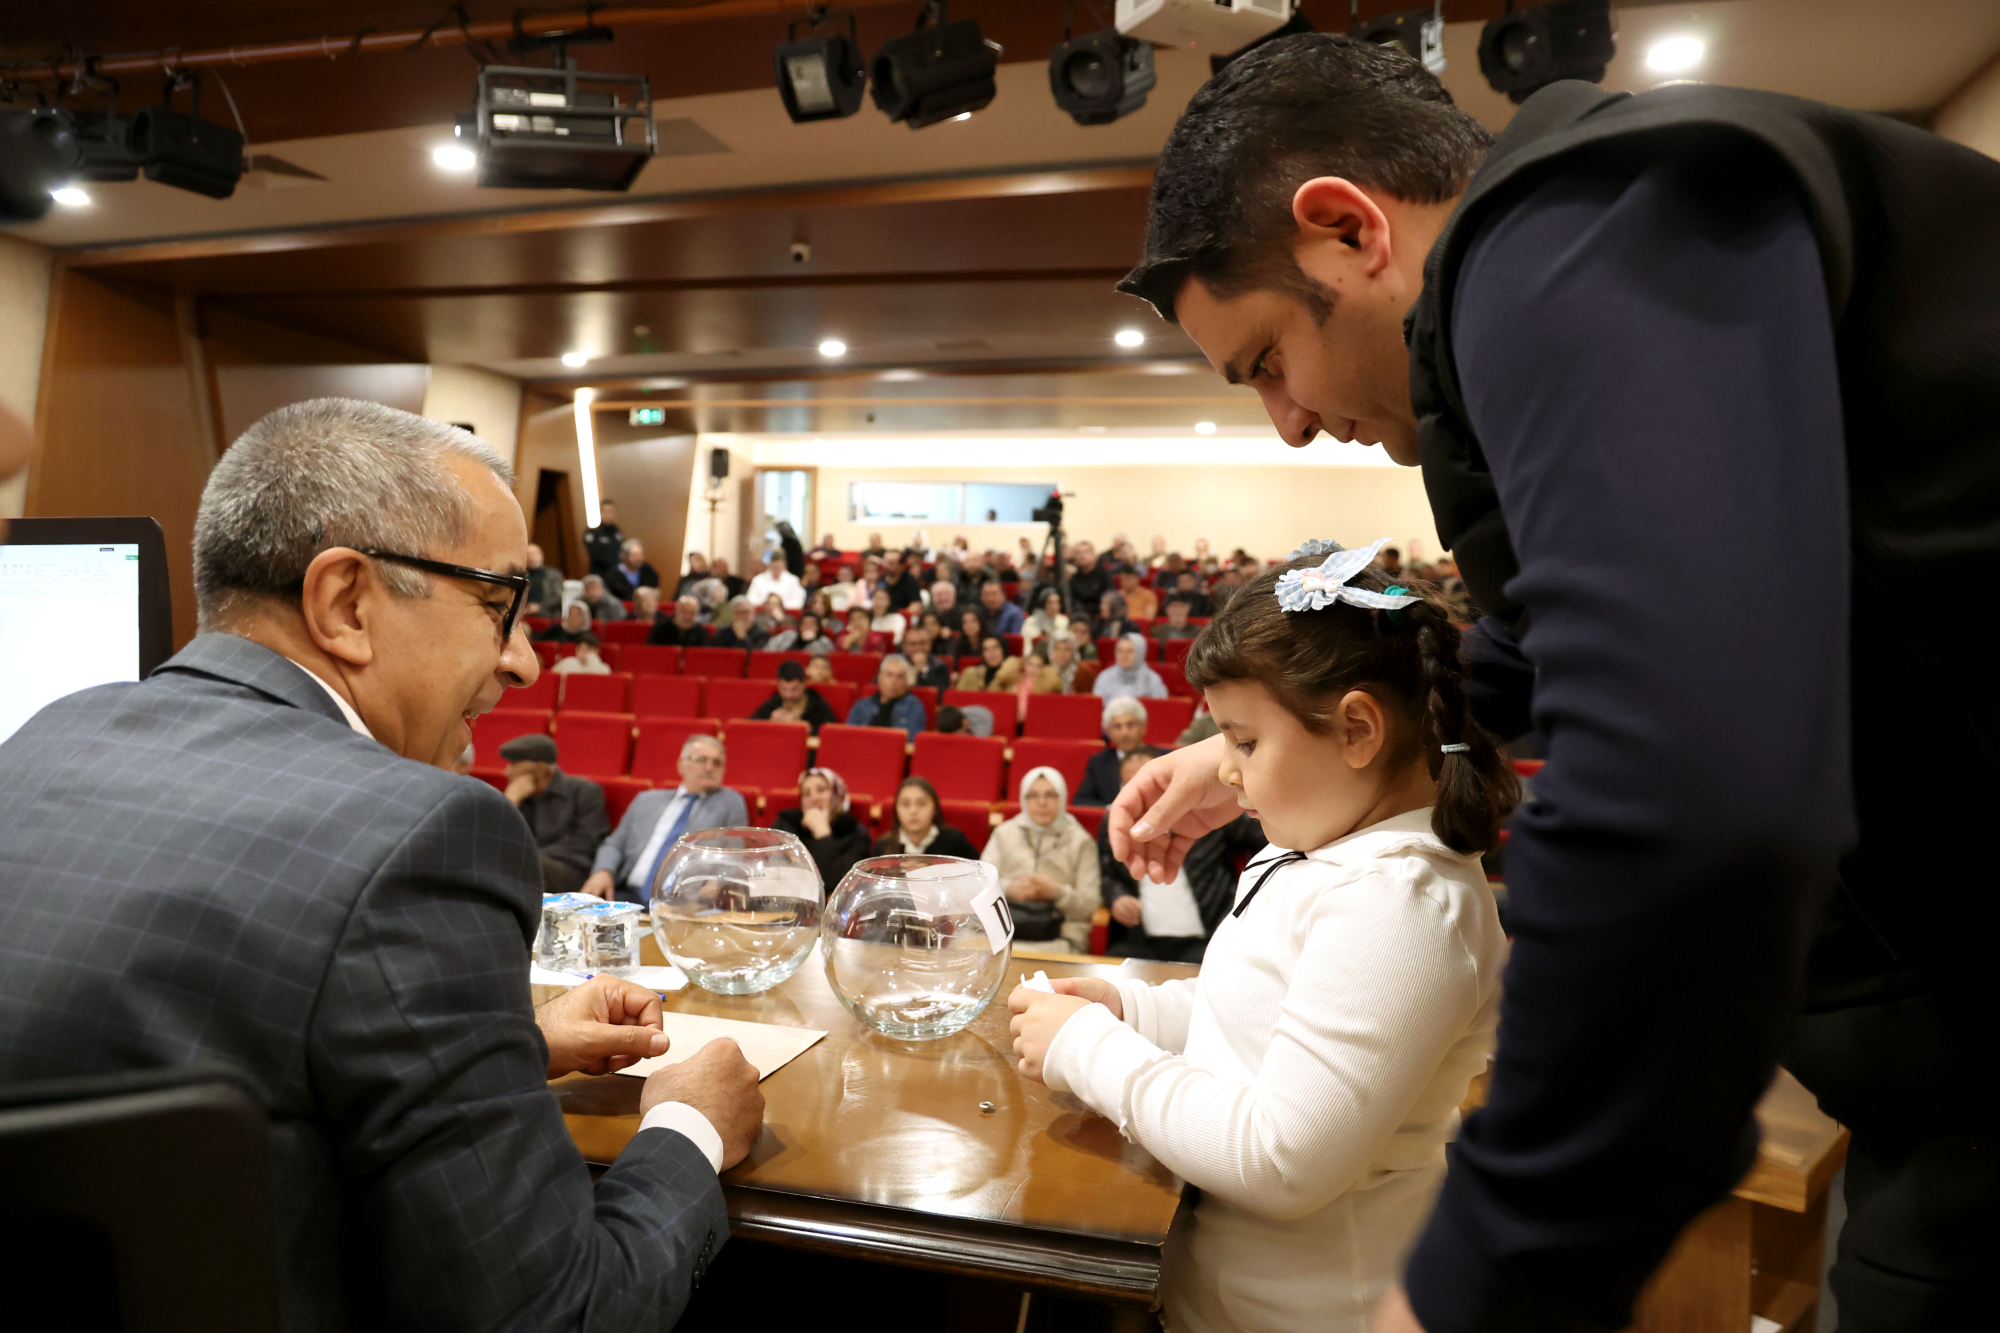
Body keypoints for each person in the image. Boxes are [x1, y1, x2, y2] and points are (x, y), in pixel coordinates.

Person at [1113, 31, 2000, 1333]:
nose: (1287, 422)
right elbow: (1534, 657)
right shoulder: (1561, 269)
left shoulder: (1570, 229)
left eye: (1264, 362)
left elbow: (1686, 788)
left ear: (1349, 230)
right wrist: (1244, 746)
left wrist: (1485, 1276)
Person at [0, 399, 761, 1330]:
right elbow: (558, 1315)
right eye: (498, 606)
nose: (524, 661)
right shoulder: (423, 833)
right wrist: (689, 1125)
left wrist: (512, 1047)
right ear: (346, 604)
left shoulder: (41, 738)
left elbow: (216, 1061)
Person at [1012, 553, 1513, 1333]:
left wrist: (1089, 1048)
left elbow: (1280, 1159)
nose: (1225, 772)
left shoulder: (1404, 902)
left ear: (1357, 729)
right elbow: (1256, 1012)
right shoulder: (1321, 844)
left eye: (1243, 741)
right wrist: (1133, 1010)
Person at [1097, 748, 1265, 964]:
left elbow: (1266, 840)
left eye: (1145, 784)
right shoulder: (1114, 823)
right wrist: (1117, 898)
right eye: (1129, 784)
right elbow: (1108, 874)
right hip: (1140, 939)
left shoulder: (1208, 810)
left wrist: (1251, 891)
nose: (1140, 794)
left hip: (1206, 936)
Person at [585, 734, 749, 905]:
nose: (709, 767)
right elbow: (615, 844)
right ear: (681, 765)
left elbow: (735, 854)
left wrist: (717, 881)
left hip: (684, 900)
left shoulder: (729, 802)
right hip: (627, 893)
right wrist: (603, 871)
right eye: (701, 759)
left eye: (717, 763)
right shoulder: (646, 800)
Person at [981, 767, 1100, 954]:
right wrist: (1010, 888)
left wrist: (1056, 892)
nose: (1042, 803)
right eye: (1033, 796)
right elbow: (980, 886)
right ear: (1023, 799)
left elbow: (1089, 905)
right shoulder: (1004, 834)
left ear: (1062, 798)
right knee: (965, 946)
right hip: (1003, 931)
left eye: (1050, 795)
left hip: (1060, 937)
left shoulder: (1081, 841)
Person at [500, 733, 611, 895]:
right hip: (527, 863)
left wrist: (530, 855)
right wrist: (510, 801)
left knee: (522, 863)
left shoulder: (584, 791)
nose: (507, 771)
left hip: (570, 869)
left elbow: (588, 841)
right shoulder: (519, 795)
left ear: (540, 768)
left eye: (514, 764)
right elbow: (496, 838)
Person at [771, 767, 871, 889]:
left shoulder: (855, 833)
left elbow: (838, 886)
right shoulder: (786, 825)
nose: (813, 798)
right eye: (806, 793)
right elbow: (774, 874)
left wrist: (822, 833)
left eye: (821, 790)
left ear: (838, 796)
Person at [872, 776, 982, 859]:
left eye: (921, 804)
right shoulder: (883, 846)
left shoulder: (955, 841)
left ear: (935, 808)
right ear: (896, 809)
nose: (913, 811)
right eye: (905, 804)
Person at [1074, 696, 1151, 807]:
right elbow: (1081, 801)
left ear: (1143, 727)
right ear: (1108, 731)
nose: (1125, 733)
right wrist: (1112, 809)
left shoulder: (1163, 757)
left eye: (1130, 725)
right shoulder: (1099, 763)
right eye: (1117, 726)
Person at [846, 656, 925, 741]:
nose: (894, 681)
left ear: (907, 682)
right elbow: (848, 737)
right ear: (879, 678)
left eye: (900, 676)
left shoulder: (913, 706)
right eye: (889, 675)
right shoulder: (862, 706)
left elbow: (911, 740)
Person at [750, 660, 838, 735]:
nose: (789, 695)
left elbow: (832, 731)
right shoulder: (773, 702)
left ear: (804, 684)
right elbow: (750, 726)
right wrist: (769, 723)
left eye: (795, 689)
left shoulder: (817, 705)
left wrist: (806, 728)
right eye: (784, 689)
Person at [1094, 634, 1168, 701]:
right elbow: (1097, 707)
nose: (1124, 655)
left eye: (1130, 651)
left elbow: (1159, 708)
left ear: (1140, 653)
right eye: (1120, 651)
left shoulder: (1152, 680)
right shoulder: (1105, 677)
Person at [1030, 634, 1100, 695]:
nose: (1061, 653)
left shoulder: (1083, 673)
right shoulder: (1044, 673)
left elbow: (1088, 700)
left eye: (1067, 649)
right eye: (1057, 649)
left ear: (1073, 652)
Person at [954, 634, 1021, 693]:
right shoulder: (972, 674)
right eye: (986, 649)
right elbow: (958, 696)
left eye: (995, 647)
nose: (991, 653)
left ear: (1003, 650)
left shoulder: (1011, 670)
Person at [582, 497, 624, 577]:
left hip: (616, 573)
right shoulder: (594, 532)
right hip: (600, 572)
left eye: (610, 511)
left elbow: (621, 551)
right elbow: (595, 554)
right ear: (601, 513)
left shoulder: (617, 532)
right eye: (605, 511)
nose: (608, 514)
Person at [1022, 589, 1069, 660]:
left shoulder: (1064, 621)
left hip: (1056, 658)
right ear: (1044, 604)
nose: (1054, 607)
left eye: (1057, 603)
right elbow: (1026, 645)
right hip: (1034, 657)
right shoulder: (1031, 621)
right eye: (1051, 603)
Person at [524, 541, 564, 616]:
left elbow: (558, 597)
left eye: (534, 554)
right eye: (528, 555)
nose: (531, 557)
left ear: (542, 556)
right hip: (523, 614)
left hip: (548, 614)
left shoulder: (553, 575)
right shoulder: (521, 576)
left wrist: (539, 607)